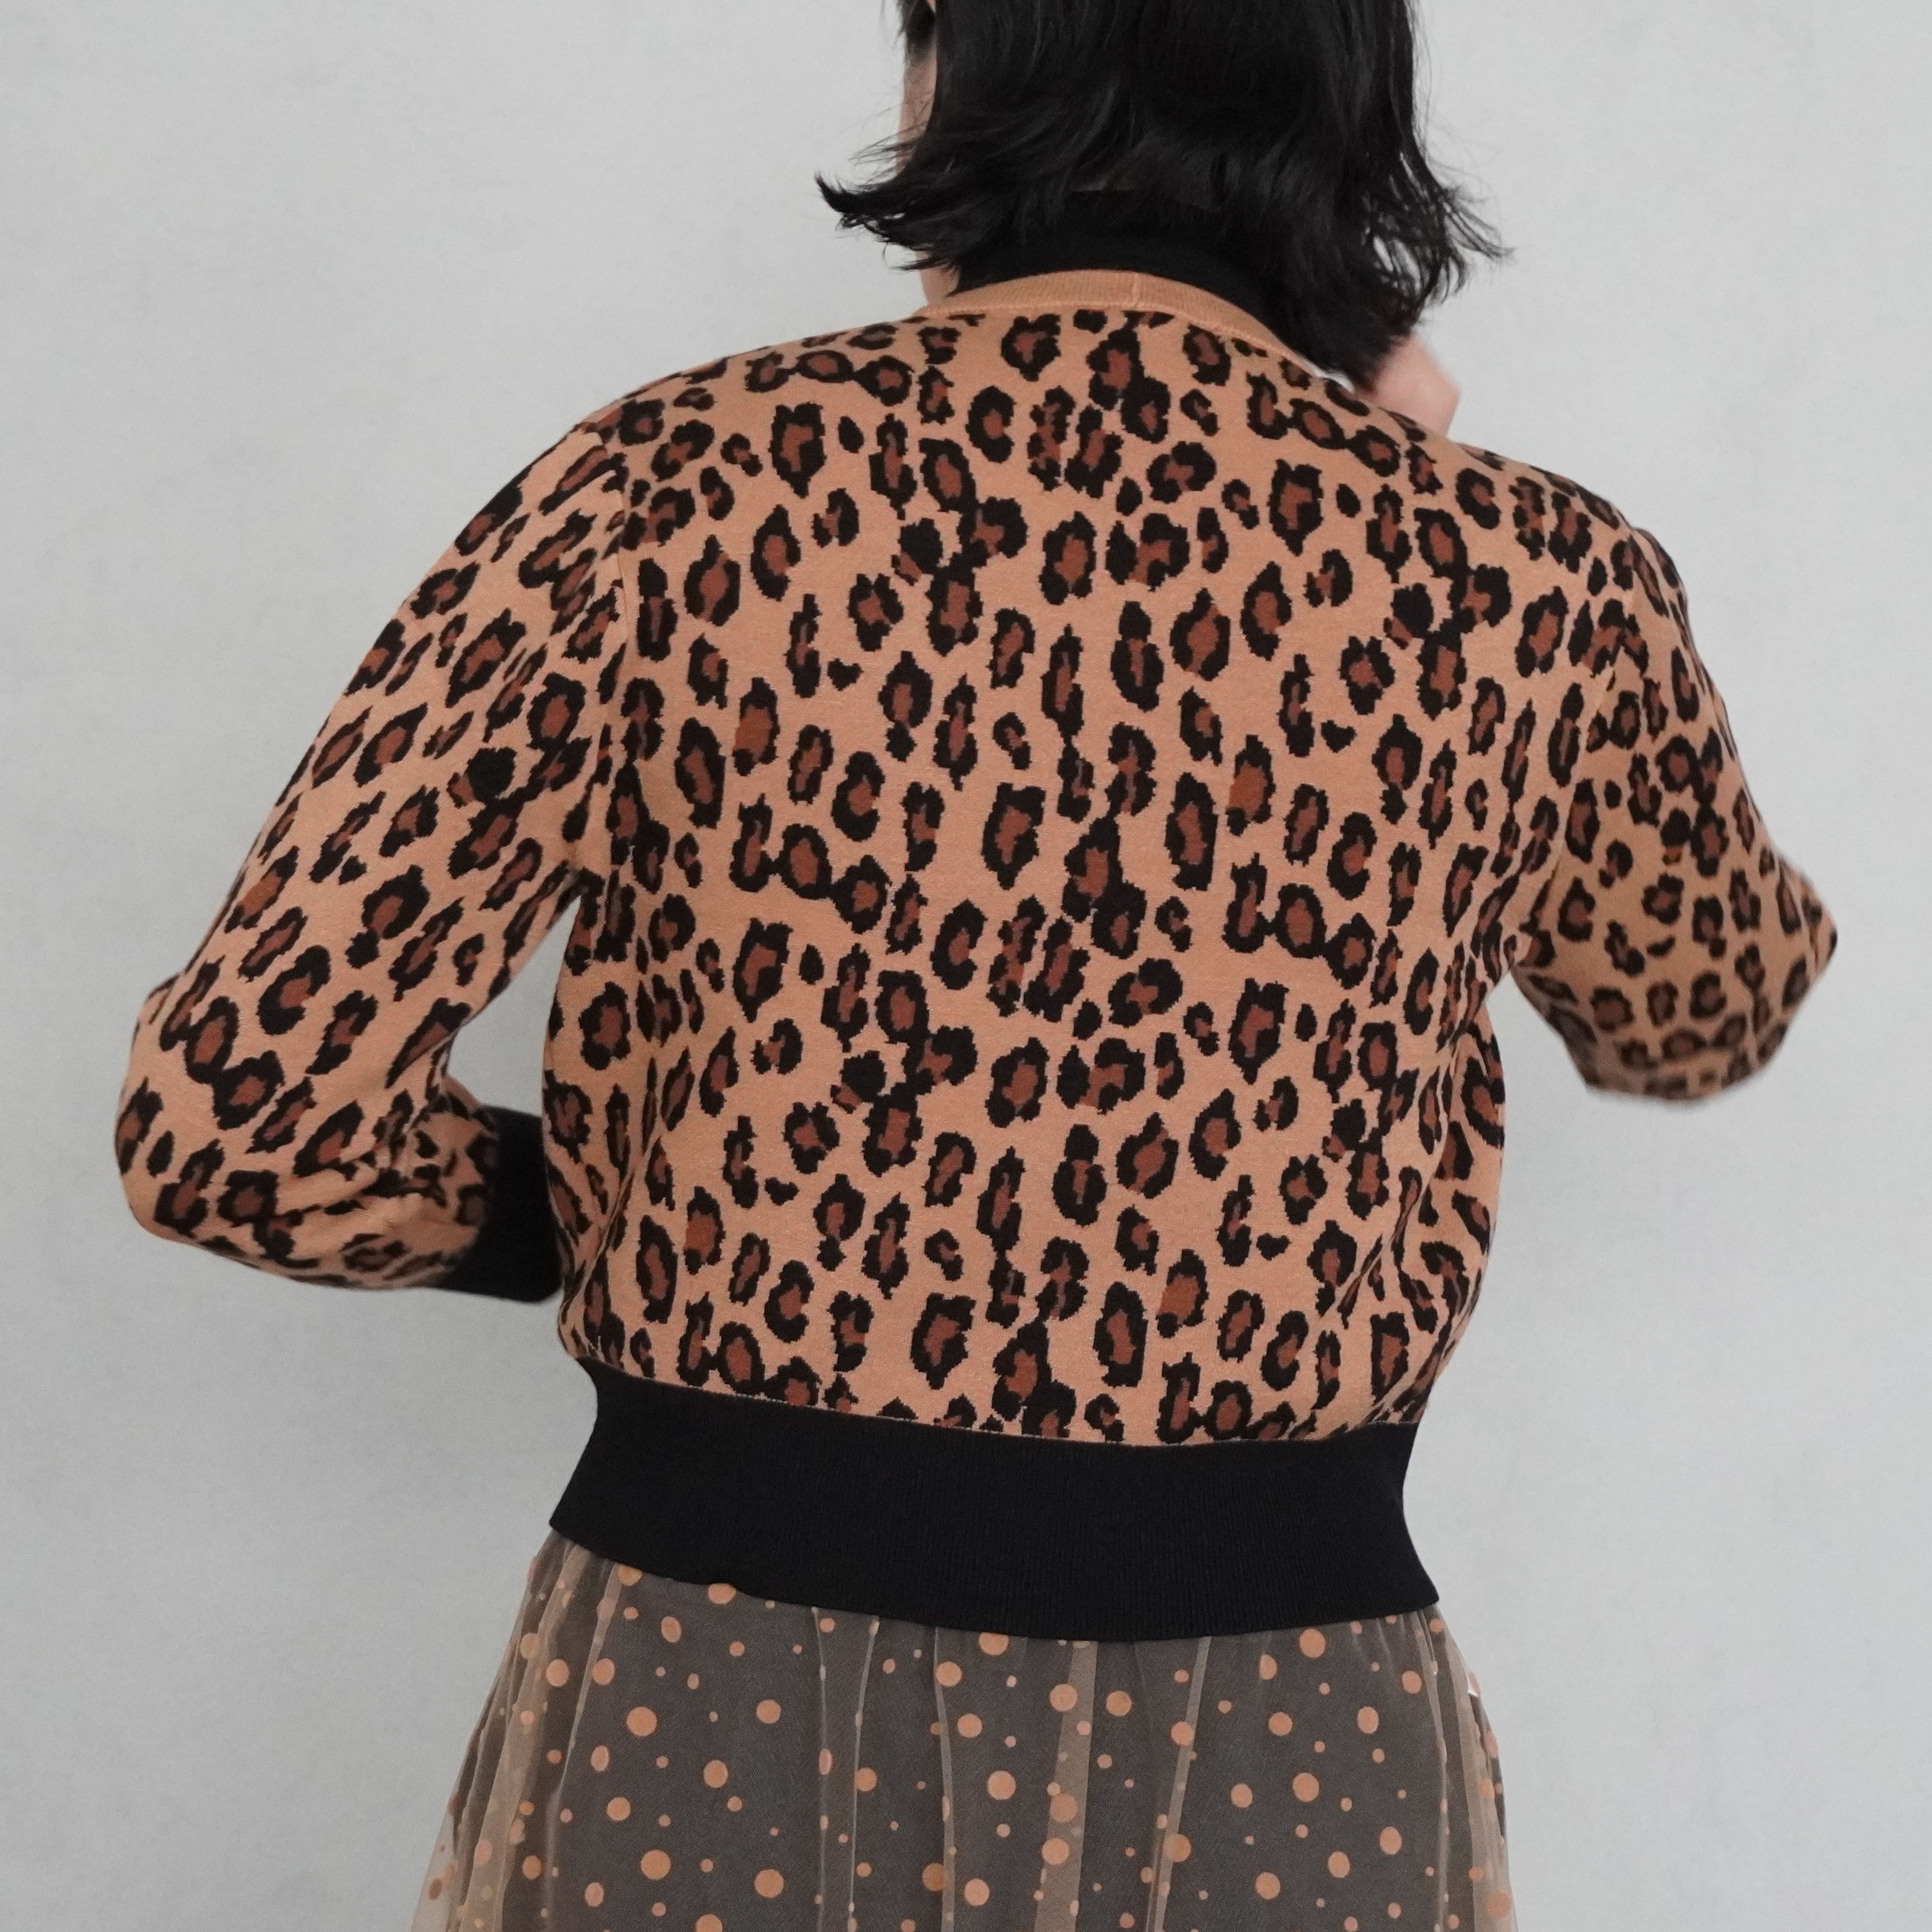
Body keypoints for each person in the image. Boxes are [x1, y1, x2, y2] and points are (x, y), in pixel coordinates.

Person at [113, 2, 1837, 1926]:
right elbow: (1705, 1007)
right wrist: (1431, 482)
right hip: (1280, 1726)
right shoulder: (1532, 580)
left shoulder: (669, 488)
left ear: (971, 71)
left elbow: (236, 1125)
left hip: (707, 1693)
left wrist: (595, 1203)